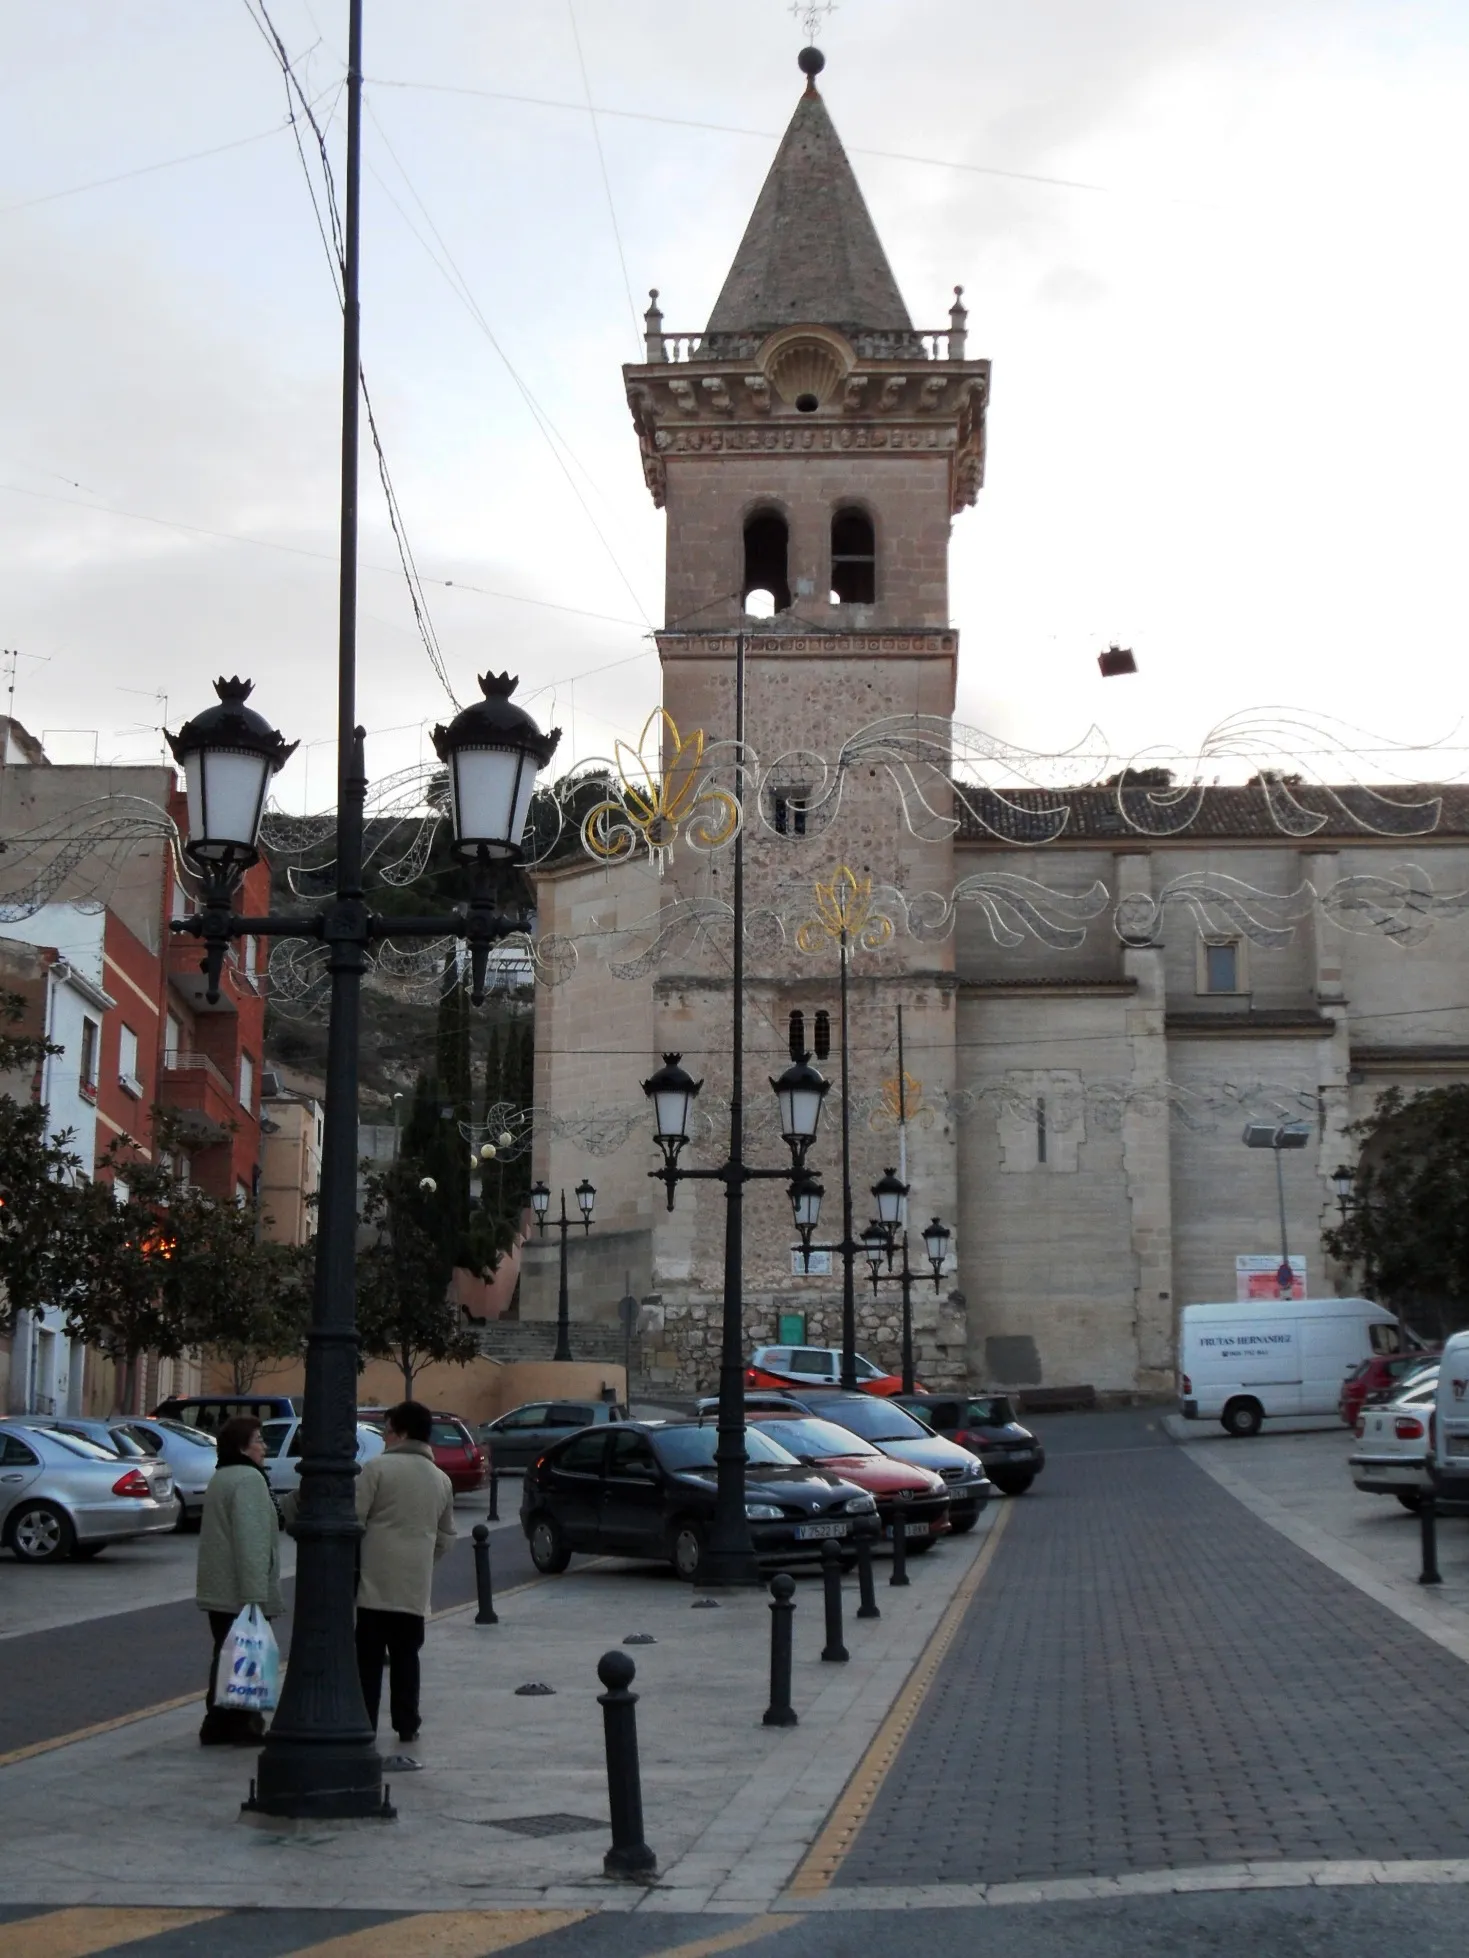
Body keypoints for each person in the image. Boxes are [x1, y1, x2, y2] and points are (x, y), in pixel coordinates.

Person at [355, 1399, 455, 1746]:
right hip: (414, 1586)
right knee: (406, 1658)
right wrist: (423, 1557)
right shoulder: (441, 1480)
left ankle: (366, 1724)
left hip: (373, 1584)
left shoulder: (375, 1470)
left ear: (401, 1433)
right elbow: (446, 1537)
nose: (383, 1437)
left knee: (368, 1660)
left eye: (387, 1430)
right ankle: (407, 1723)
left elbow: (354, 1520)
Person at [194, 1414, 282, 1747]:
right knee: (246, 1657)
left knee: (227, 1653)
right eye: (258, 1440)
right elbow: (251, 1540)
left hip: (220, 1587)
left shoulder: (224, 1476)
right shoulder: (249, 1480)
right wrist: (255, 1594)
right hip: (240, 1589)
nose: (264, 1447)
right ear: (242, 1447)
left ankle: (216, 1724)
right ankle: (244, 1725)